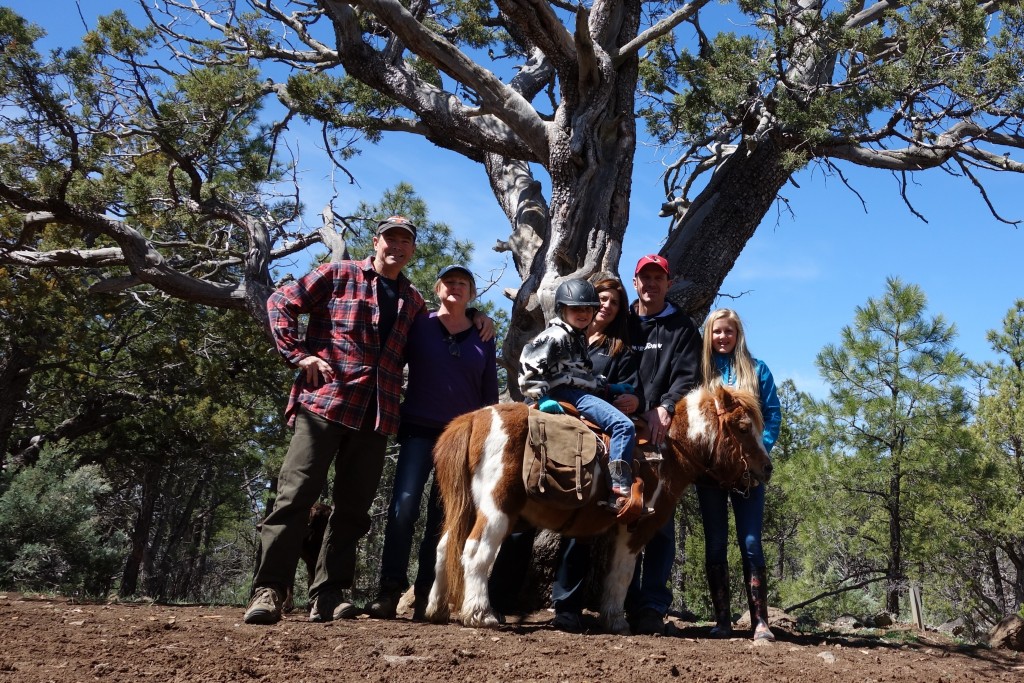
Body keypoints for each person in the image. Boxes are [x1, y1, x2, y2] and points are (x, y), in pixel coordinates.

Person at [245, 216, 492, 625]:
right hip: (326, 405)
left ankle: (328, 593)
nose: (397, 246)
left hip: (377, 416)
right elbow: (280, 302)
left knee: (354, 510)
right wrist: (299, 355)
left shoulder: (411, 302)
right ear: (375, 242)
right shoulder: (337, 274)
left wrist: (480, 314)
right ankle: (270, 589)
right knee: (295, 497)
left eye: (405, 241)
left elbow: (448, 325)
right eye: (390, 238)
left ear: (412, 251)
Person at [365, 264, 499, 621]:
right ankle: (389, 591)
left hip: (461, 439)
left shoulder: (484, 335)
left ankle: (428, 595)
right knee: (403, 507)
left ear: (472, 294)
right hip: (419, 430)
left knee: (446, 518)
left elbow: (490, 395)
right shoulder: (419, 325)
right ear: (438, 288)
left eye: (463, 284)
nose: (455, 288)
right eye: (449, 282)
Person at [550, 275, 640, 632]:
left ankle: (567, 606)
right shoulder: (560, 335)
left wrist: (632, 399)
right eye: (599, 298)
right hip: (555, 420)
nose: (604, 306)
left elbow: (627, 394)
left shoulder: (621, 350)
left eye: (613, 302)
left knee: (584, 514)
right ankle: (502, 593)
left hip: (593, 435)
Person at [624, 254, 702, 635]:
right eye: (645, 277)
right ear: (635, 282)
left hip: (660, 435)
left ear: (668, 283)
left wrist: (665, 406)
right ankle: (619, 599)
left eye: (658, 277)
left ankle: (651, 606)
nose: (651, 283)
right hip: (616, 429)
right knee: (617, 511)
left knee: (658, 518)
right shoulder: (620, 322)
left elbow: (689, 376)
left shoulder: (682, 328)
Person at [696, 308, 782, 641]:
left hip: (748, 474)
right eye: (717, 332)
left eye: (728, 332)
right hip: (710, 473)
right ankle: (722, 621)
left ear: (738, 334)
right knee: (715, 544)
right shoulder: (700, 372)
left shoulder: (757, 370)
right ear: (709, 335)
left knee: (750, 543)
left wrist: (761, 449)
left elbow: (772, 416)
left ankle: (760, 621)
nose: (722, 337)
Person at [519, 279, 637, 508]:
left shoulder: (576, 335)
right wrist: (540, 398)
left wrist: (609, 387)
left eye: (587, 309)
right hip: (566, 393)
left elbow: (580, 374)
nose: (583, 313)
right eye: (576, 308)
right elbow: (528, 364)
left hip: (574, 390)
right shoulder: (556, 335)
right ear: (562, 309)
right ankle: (618, 484)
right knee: (624, 426)